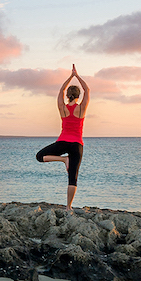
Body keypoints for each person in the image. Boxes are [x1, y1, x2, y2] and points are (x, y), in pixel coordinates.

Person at [36, 64, 89, 209]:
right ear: (78, 96)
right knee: (73, 177)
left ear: (67, 95)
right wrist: (77, 76)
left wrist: (70, 77)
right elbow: (87, 89)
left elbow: (61, 89)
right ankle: (68, 207)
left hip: (62, 141)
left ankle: (63, 159)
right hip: (77, 144)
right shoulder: (81, 108)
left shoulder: (62, 107)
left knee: (40, 156)